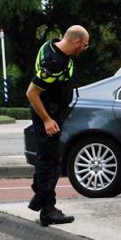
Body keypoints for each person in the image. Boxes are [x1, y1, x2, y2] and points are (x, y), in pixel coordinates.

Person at [26, 25, 90, 226]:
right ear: (76, 42)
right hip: (47, 115)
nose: (85, 50)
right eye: (85, 46)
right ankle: (47, 209)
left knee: (47, 159)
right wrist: (46, 119)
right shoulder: (53, 62)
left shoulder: (51, 46)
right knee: (50, 162)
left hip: (54, 112)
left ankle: (41, 198)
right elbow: (31, 93)